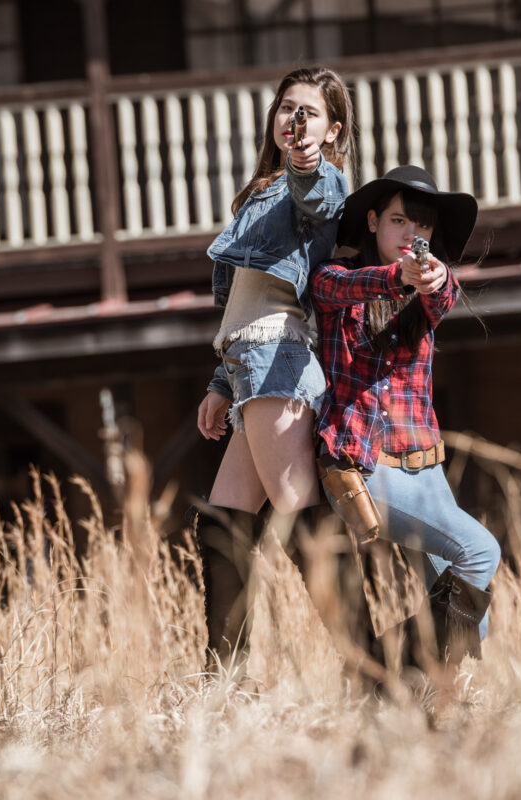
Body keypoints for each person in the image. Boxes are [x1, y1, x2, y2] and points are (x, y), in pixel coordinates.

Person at [186, 66, 354, 666]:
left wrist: (308, 162)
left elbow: (320, 196)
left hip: (279, 359)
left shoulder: (322, 183)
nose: (294, 119)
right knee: (224, 523)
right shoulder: (261, 191)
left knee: (300, 515)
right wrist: (218, 384)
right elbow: (240, 302)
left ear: (332, 131)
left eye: (308, 112)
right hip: (249, 362)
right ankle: (225, 674)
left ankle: (370, 665)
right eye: (287, 108)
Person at [311, 165, 500, 666]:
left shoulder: (430, 284)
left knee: (470, 606)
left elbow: (441, 293)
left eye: (422, 228)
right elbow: (337, 288)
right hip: (368, 468)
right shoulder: (337, 277)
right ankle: (386, 667)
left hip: (428, 471)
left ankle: (429, 698)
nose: (411, 235)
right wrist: (399, 276)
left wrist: (428, 278)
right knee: (481, 553)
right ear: (372, 222)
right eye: (399, 221)